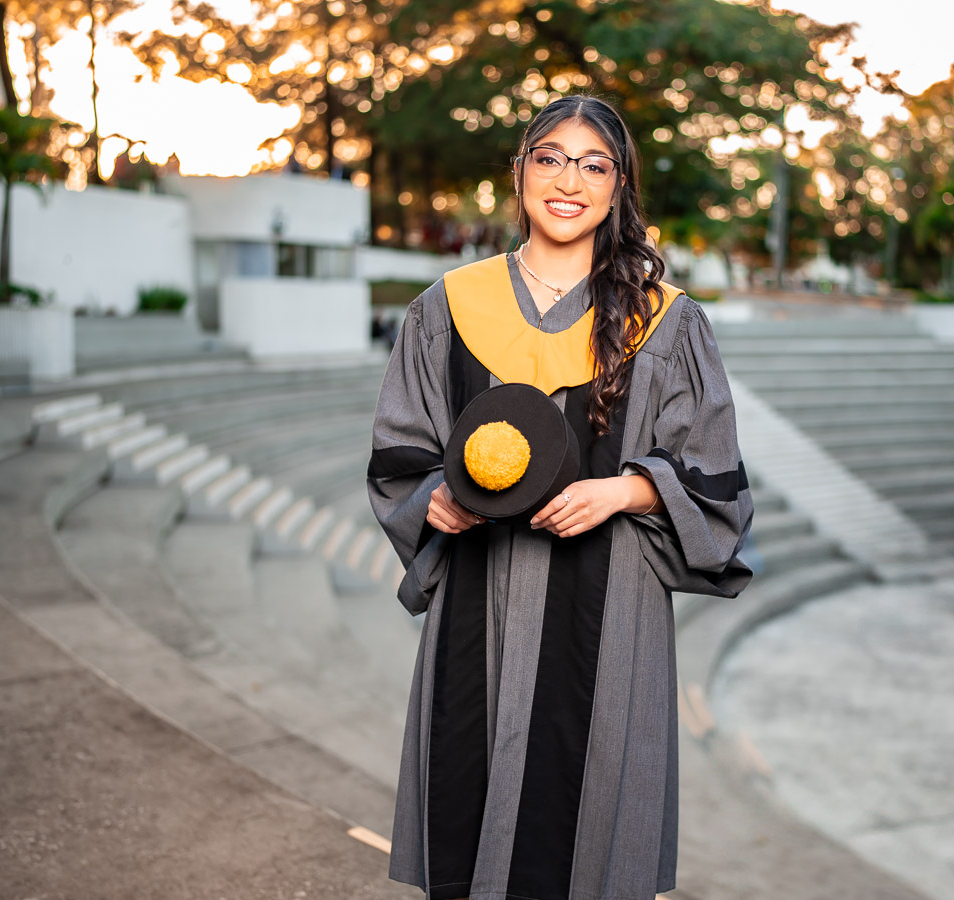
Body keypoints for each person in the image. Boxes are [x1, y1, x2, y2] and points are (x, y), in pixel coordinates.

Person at [366, 94, 754, 900]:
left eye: (593, 164)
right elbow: (403, 457)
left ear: (619, 187)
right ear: (519, 173)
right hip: (479, 602)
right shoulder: (449, 308)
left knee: (586, 835)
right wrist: (436, 497)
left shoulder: (666, 323)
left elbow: (715, 476)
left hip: (609, 613)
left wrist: (629, 489)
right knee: (472, 817)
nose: (568, 179)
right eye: (549, 157)